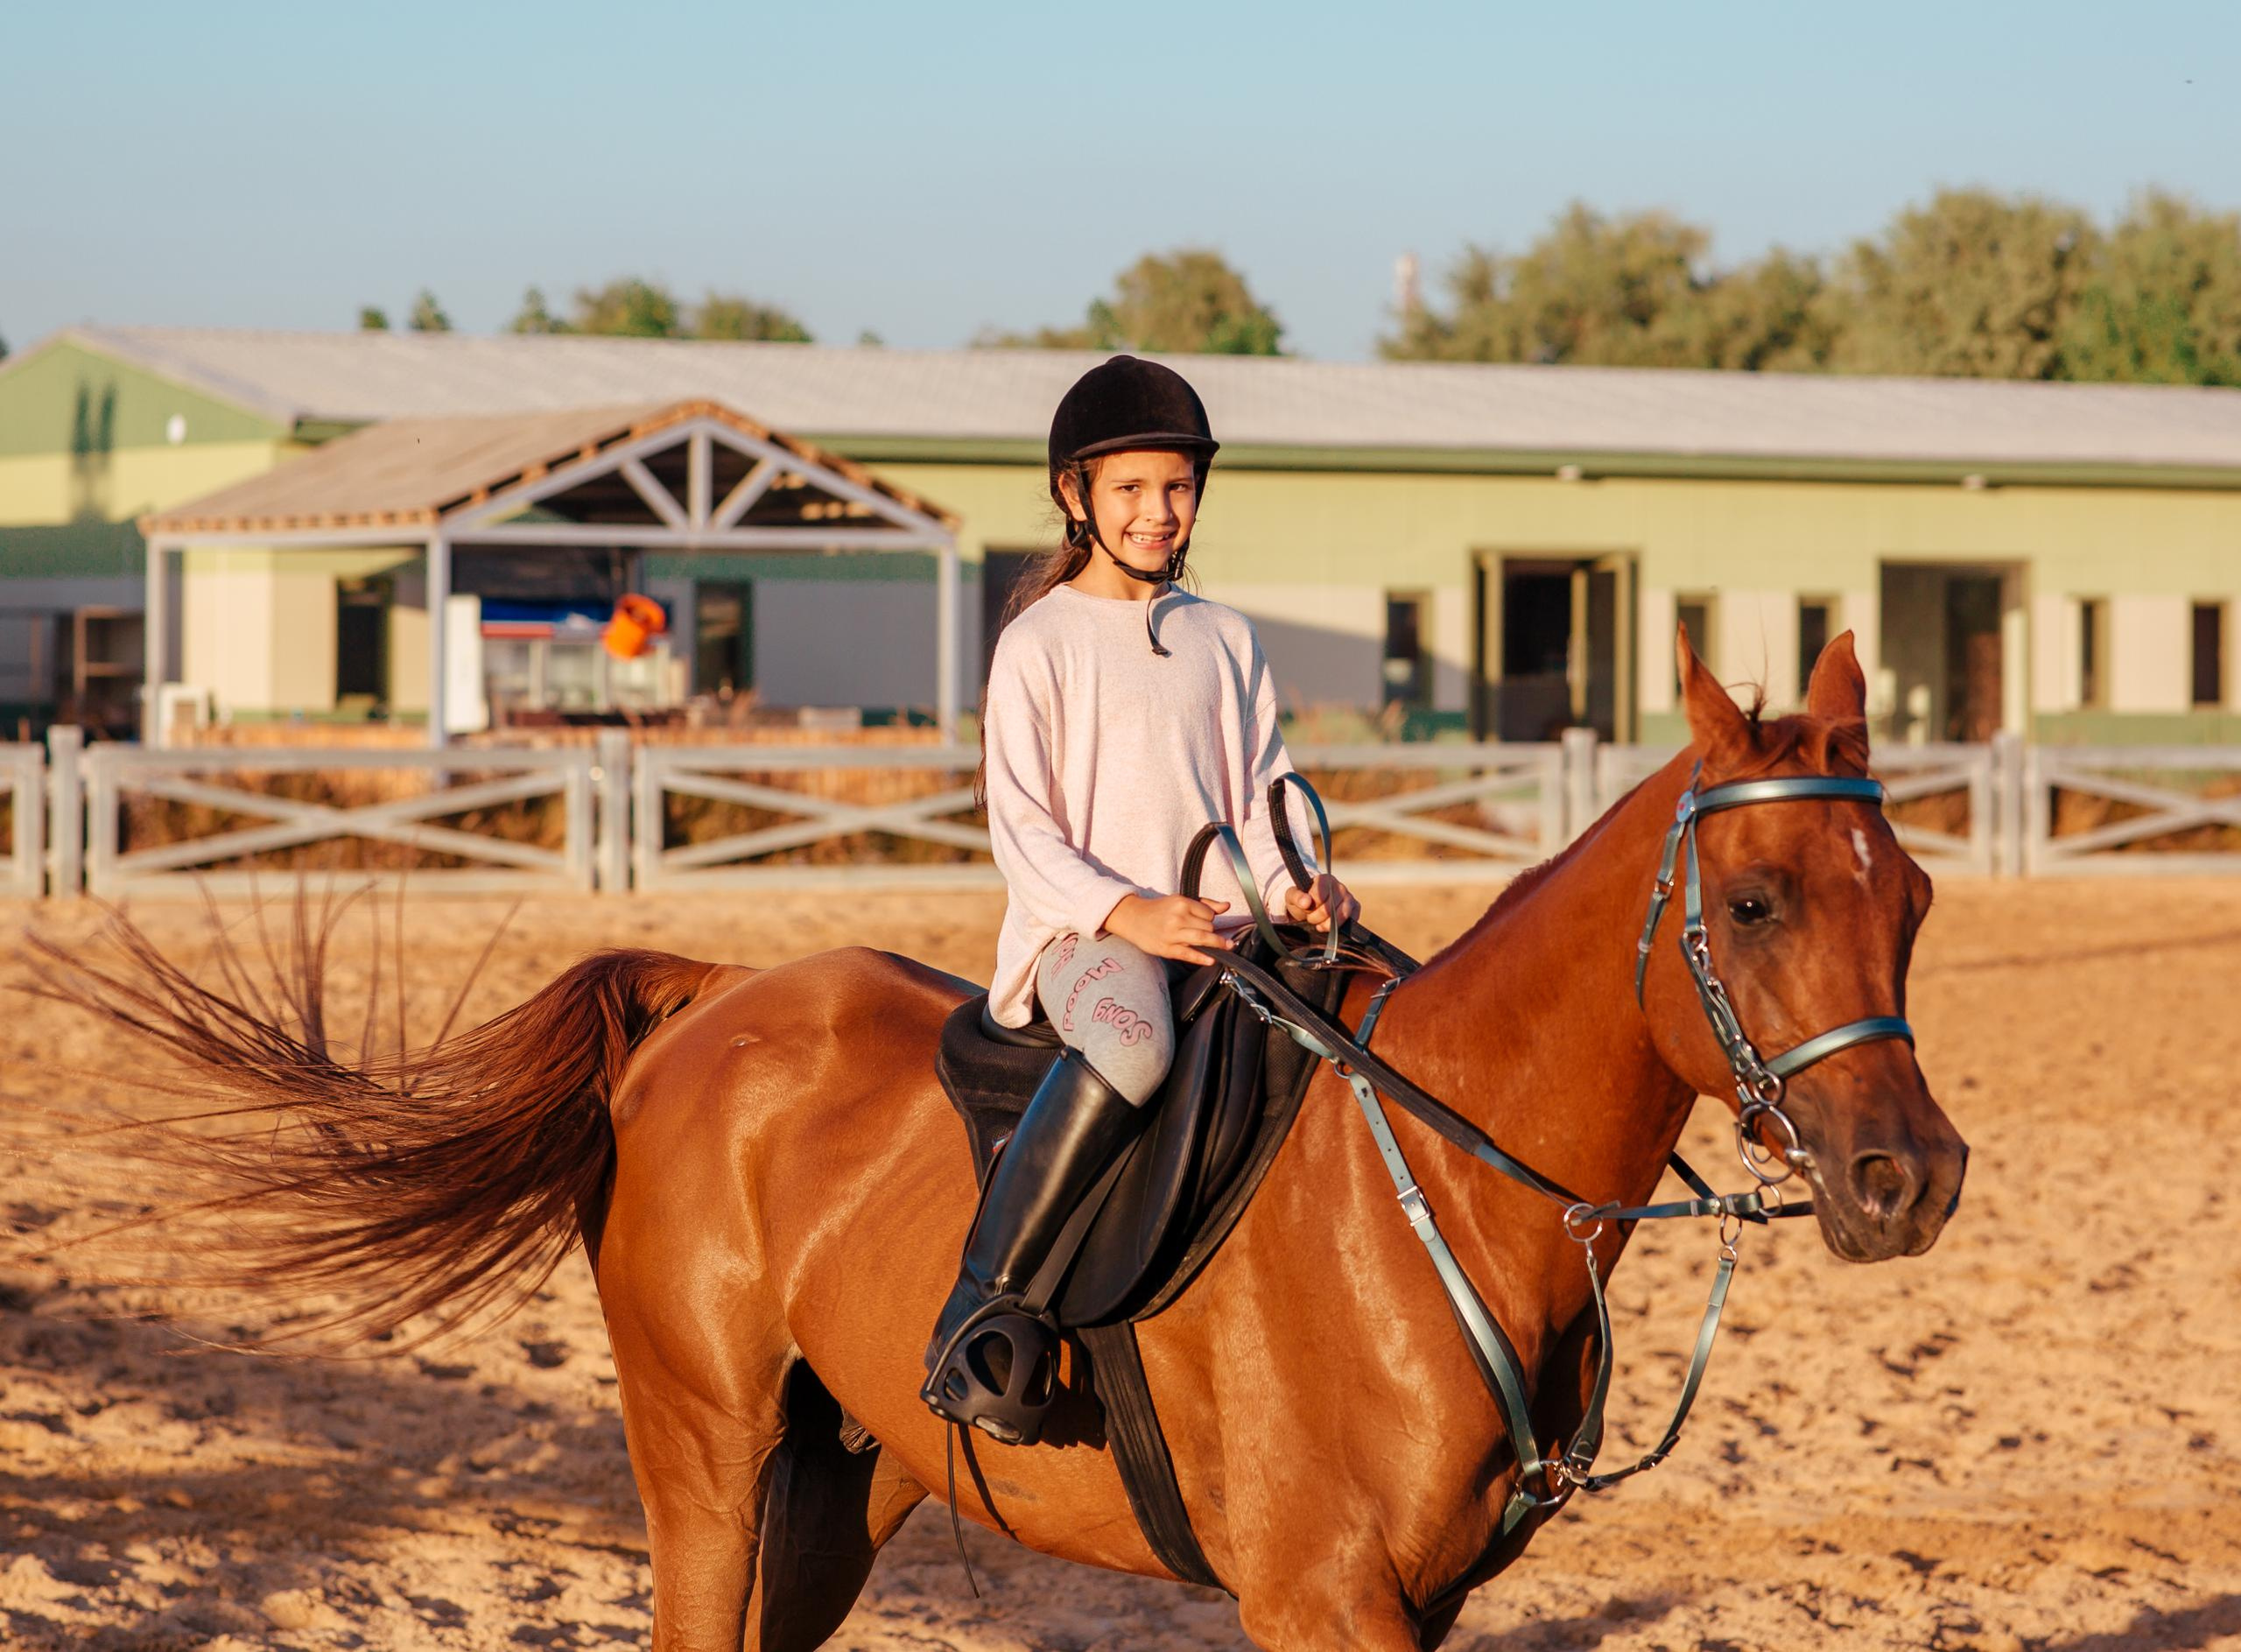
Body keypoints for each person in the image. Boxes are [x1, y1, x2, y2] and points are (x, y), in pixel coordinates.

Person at [922, 355, 1359, 1443]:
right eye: (1130, 490)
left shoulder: (1224, 637)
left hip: (1219, 925)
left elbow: (1260, 795)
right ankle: (989, 1307)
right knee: (1132, 1049)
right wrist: (1128, 915)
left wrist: (1301, 880)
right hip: (1081, 941)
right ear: (1077, 496)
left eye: (1176, 489)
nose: (1158, 513)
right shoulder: (1038, 644)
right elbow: (1023, 835)